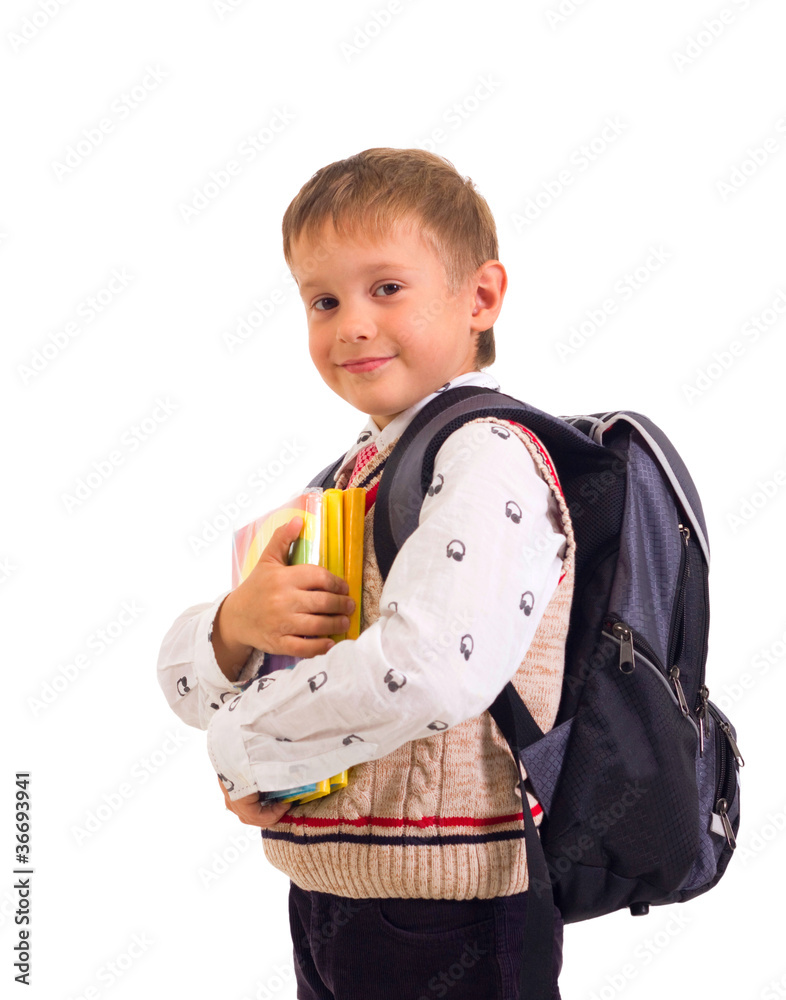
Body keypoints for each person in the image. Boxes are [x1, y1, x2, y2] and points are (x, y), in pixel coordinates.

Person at [157, 147, 575, 999]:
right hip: (334, 890)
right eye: (324, 299)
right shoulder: (349, 477)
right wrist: (236, 628)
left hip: (448, 909)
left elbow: (429, 669)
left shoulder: (489, 456)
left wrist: (247, 747)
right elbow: (198, 691)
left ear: (481, 298)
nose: (350, 322)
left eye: (386, 288)